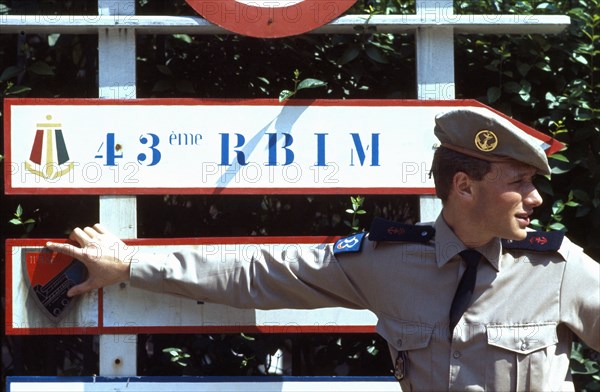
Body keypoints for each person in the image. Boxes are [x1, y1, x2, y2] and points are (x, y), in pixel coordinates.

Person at [46, 107, 600, 391]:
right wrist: (132, 263)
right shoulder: (387, 262)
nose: (536, 198)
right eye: (519, 181)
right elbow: (259, 273)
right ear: (464, 186)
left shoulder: (559, 268)